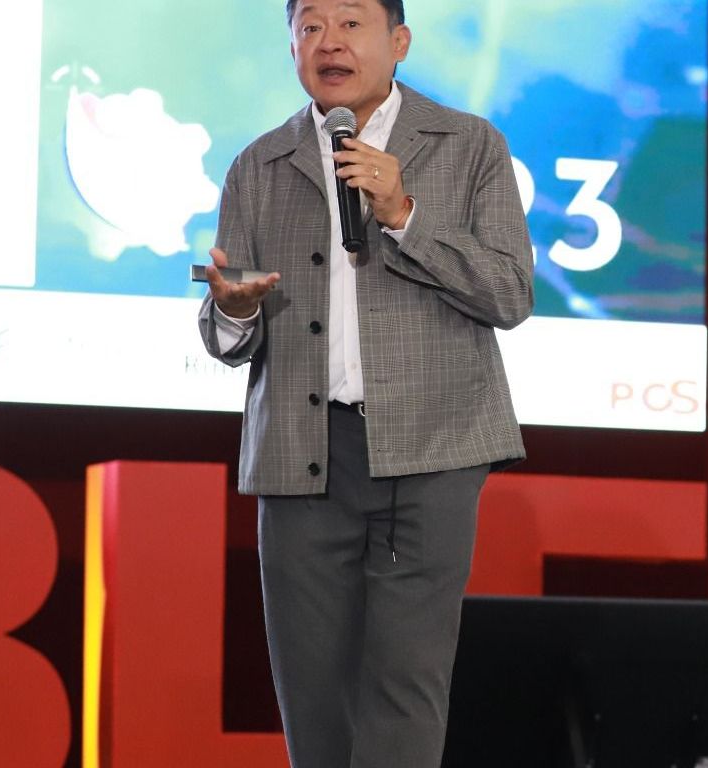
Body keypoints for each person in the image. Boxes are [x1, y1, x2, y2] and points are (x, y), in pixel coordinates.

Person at [196, 0, 534, 765]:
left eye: (350, 24)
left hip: (434, 447)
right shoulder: (259, 165)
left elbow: (510, 294)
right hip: (302, 453)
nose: (329, 43)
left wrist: (404, 213)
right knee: (312, 689)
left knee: (406, 681)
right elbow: (226, 334)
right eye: (310, 27)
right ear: (291, 48)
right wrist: (234, 309)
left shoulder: (470, 146)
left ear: (399, 41)